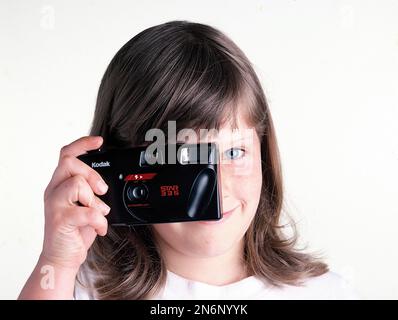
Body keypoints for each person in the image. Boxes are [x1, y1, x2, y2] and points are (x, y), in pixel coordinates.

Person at [18, 20, 357, 300]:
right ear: (127, 166)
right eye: (184, 158)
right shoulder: (75, 287)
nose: (217, 187)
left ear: (263, 155)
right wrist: (58, 262)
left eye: (235, 152)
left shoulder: (324, 293)